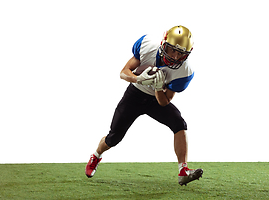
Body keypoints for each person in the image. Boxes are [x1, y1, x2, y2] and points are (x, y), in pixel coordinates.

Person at [85, 25, 203, 186]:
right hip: (134, 95)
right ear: (163, 43)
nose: (175, 57)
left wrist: (158, 87)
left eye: (180, 53)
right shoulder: (148, 45)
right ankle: (96, 155)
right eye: (171, 50)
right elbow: (123, 72)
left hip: (156, 99)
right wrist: (138, 79)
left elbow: (164, 102)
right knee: (114, 137)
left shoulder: (185, 71)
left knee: (179, 123)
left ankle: (183, 170)